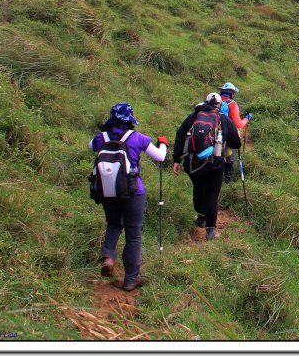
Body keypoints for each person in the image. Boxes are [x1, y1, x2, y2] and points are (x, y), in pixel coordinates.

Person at [90, 102, 168, 291]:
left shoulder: (102, 138)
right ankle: (130, 279)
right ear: (130, 120)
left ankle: (108, 258)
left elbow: (91, 145)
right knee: (133, 234)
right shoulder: (138, 138)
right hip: (133, 192)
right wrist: (163, 144)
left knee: (114, 224)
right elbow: (160, 157)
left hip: (108, 191)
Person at [173, 93, 242, 240]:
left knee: (198, 188)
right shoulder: (223, 119)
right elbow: (236, 143)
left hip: (192, 162)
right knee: (212, 195)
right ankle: (211, 230)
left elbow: (180, 136)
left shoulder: (193, 117)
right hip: (214, 164)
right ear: (218, 104)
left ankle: (201, 216)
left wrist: (176, 160)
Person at [217, 82, 252, 184]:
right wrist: (247, 118)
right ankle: (228, 182)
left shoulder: (214, 102)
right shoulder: (232, 104)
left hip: (213, 134)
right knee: (229, 159)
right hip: (227, 136)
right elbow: (239, 124)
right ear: (231, 94)